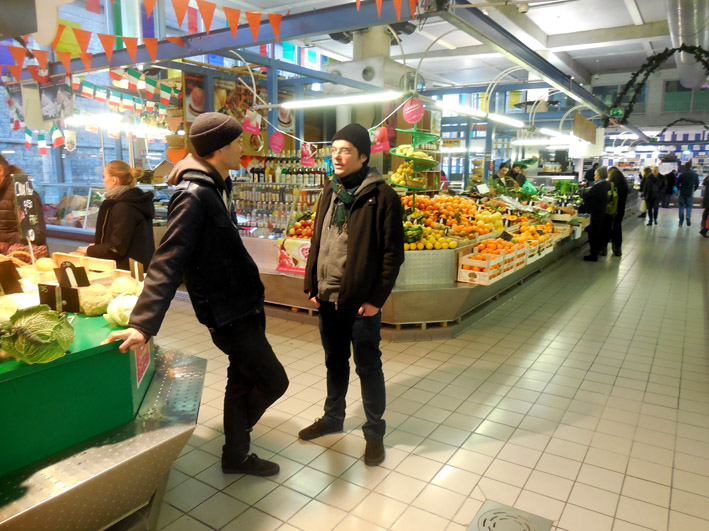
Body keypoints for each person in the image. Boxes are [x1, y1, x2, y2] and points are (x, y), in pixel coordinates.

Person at [106, 113, 288, 477]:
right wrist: (143, 324)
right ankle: (241, 439)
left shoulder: (218, 185)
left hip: (244, 305)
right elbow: (168, 259)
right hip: (228, 312)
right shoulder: (193, 196)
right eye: (237, 142)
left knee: (241, 380)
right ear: (219, 149)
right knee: (273, 381)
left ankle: (235, 456)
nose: (242, 147)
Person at [299, 123, 404, 467]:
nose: (337, 157)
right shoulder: (329, 192)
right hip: (329, 298)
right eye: (333, 150)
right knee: (334, 361)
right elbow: (318, 242)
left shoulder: (382, 197)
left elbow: (392, 254)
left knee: (368, 366)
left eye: (345, 150)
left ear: (362, 156)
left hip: (361, 303)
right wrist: (312, 285)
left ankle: (374, 432)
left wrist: (375, 300)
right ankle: (333, 417)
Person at [76, 161, 155, 270]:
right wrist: (98, 247)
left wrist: (90, 250)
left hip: (125, 271)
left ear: (114, 180)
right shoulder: (131, 201)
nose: (103, 180)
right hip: (137, 266)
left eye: (104, 176)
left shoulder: (124, 207)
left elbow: (116, 248)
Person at [0, 154, 47, 250]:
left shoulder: (23, 193)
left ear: (0, 170)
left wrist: (3, 239)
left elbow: (36, 236)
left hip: (26, 260)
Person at [579, 165, 611, 261]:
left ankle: (593, 255)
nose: (594, 176)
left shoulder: (598, 186)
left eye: (595, 174)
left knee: (593, 234)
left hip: (595, 213)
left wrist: (581, 192)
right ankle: (595, 251)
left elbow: (587, 195)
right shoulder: (605, 184)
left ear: (599, 175)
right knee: (596, 233)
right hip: (600, 211)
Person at [601, 166, 629, 257]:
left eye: (609, 173)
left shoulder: (611, 184)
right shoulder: (624, 185)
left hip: (610, 210)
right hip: (620, 211)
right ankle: (617, 250)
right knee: (617, 228)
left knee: (606, 228)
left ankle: (603, 249)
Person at [676, 162, 699, 226]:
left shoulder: (682, 174)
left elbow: (677, 183)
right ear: (691, 166)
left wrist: (679, 188)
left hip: (682, 192)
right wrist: (693, 190)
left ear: (685, 167)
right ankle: (688, 216)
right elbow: (697, 184)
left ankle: (681, 222)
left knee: (681, 207)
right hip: (690, 192)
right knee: (689, 206)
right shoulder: (695, 174)